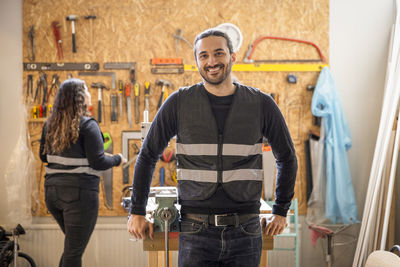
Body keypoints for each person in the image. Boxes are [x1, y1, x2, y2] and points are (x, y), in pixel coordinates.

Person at [127, 29, 297, 267]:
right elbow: (147, 156)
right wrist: (137, 211)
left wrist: (280, 210)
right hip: (196, 231)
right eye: (203, 55)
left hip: (246, 231)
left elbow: (287, 158)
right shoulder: (179, 103)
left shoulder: (261, 104)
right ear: (196, 61)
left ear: (233, 56)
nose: (212, 62)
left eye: (219, 53)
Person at [39, 78, 126, 267]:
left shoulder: (49, 125)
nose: (89, 95)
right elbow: (99, 161)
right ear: (80, 98)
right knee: (74, 251)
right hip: (78, 196)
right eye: (86, 91)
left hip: (52, 194)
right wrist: (118, 158)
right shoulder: (88, 125)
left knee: (72, 248)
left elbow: (44, 157)